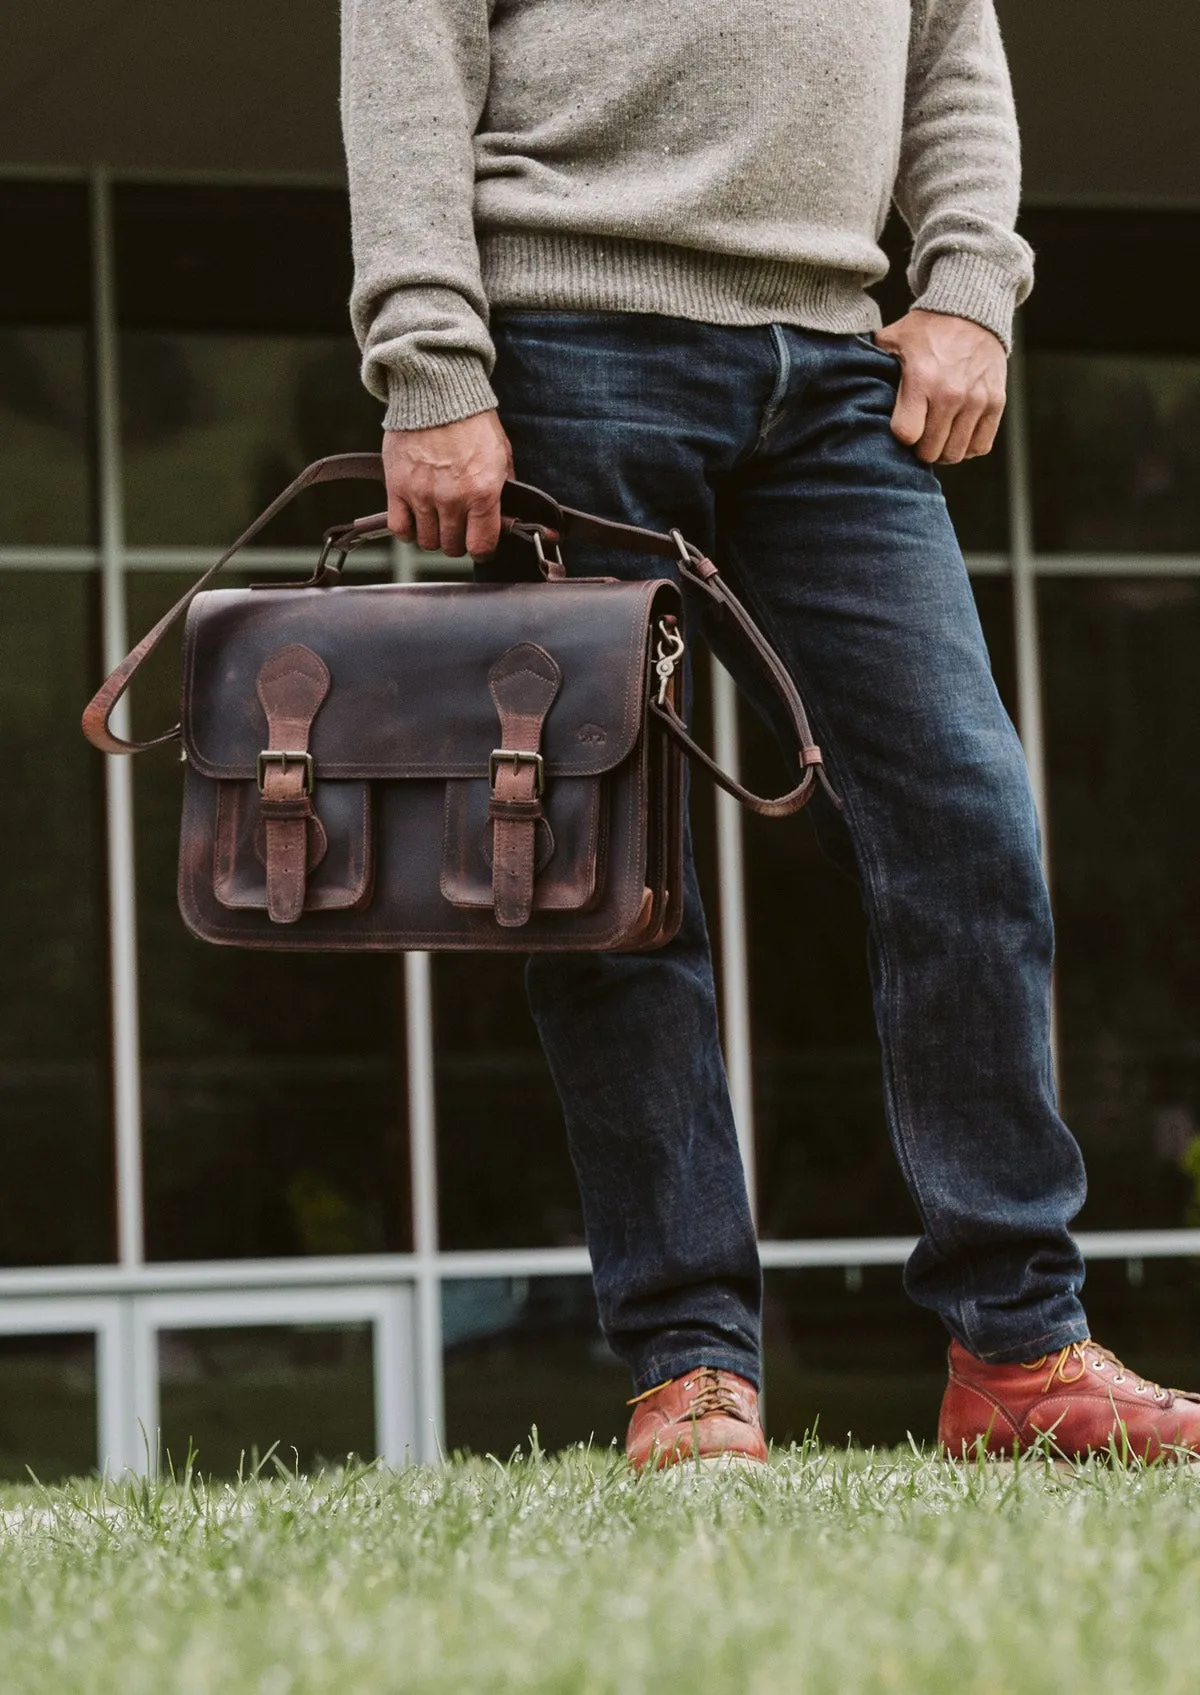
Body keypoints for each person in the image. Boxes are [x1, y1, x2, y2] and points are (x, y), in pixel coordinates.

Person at [340, 0, 1200, 1467]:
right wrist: (429, 354)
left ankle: (1017, 1346)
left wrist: (973, 283)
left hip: (834, 365)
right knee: (610, 874)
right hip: (570, 345)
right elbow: (407, 36)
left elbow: (952, 51)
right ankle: (690, 1362)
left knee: (968, 825)